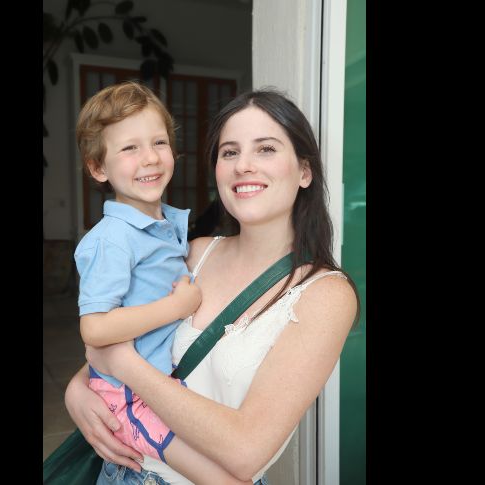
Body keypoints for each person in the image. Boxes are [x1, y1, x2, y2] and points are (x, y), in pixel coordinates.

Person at [65, 88, 360, 485]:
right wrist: (77, 389)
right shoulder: (189, 254)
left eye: (267, 149)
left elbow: (246, 453)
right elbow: (120, 339)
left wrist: (120, 364)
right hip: (121, 473)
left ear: (304, 171)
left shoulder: (324, 294)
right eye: (230, 152)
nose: (244, 166)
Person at [72, 80, 253, 485]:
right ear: (98, 167)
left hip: (158, 387)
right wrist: (177, 307)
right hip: (129, 397)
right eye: (129, 148)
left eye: (158, 142)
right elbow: (95, 327)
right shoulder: (113, 239)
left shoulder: (163, 226)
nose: (149, 158)